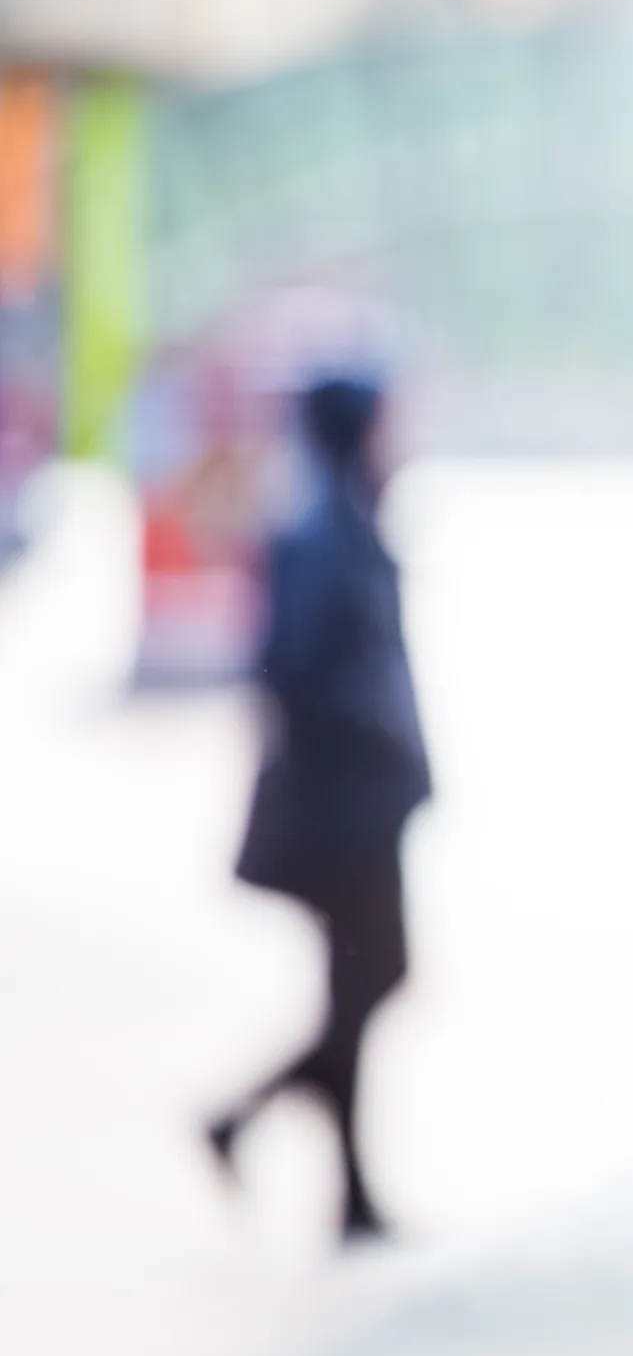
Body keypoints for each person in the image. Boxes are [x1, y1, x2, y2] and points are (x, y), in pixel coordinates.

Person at [207, 374, 428, 1238]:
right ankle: (256, 1126)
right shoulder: (324, 532)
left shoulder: (344, 519)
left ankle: (342, 1188)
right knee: (370, 981)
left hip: (359, 805)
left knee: (360, 986)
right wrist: (374, 737)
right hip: (346, 812)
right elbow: (288, 666)